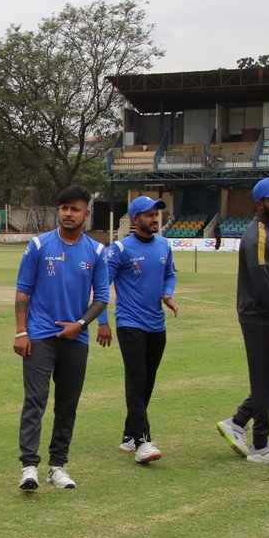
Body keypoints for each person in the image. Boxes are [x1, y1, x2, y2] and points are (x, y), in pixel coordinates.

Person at [13, 185, 109, 491]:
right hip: (40, 336)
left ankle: (58, 466)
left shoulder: (97, 252)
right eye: (64, 208)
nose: (68, 214)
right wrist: (21, 331)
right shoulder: (39, 245)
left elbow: (102, 298)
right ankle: (29, 466)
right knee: (35, 401)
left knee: (67, 405)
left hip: (75, 340)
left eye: (75, 209)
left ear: (86, 214)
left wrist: (79, 324)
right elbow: (23, 291)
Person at [217, 178, 269, 465]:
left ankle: (238, 421)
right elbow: (262, 283)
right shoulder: (258, 235)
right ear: (260, 203)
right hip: (260, 318)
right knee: (265, 380)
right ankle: (261, 445)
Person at [95, 195, 178, 465]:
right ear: (135, 219)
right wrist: (103, 321)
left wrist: (167, 293)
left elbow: (169, 274)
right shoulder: (120, 249)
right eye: (149, 215)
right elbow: (101, 287)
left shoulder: (164, 245)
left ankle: (129, 435)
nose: (154, 219)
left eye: (156, 214)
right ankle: (143, 441)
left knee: (147, 382)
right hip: (130, 324)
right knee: (136, 380)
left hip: (157, 325)